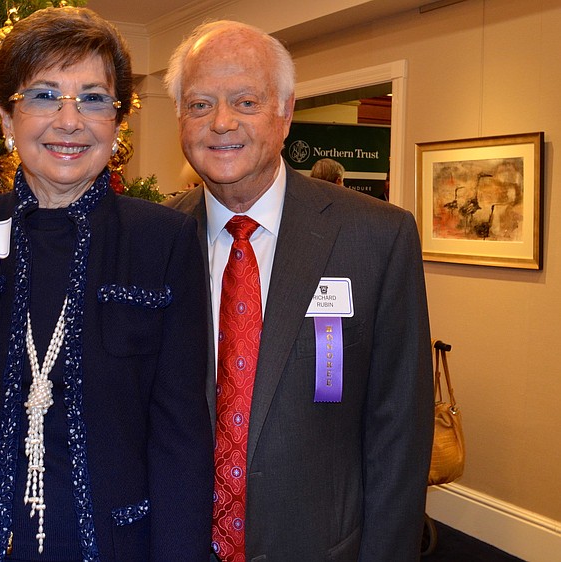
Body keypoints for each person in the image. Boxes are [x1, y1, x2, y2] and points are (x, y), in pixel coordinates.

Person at [0, 7, 213, 561]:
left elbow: (180, 439)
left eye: (93, 98)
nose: (68, 120)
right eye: (42, 95)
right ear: (8, 121)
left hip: (113, 545)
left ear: (117, 120)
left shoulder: (165, 241)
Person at [163, 20, 433, 561]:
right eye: (199, 105)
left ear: (285, 113)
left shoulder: (377, 236)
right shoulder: (156, 240)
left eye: (245, 101)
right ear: (180, 119)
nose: (221, 123)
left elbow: (399, 429)